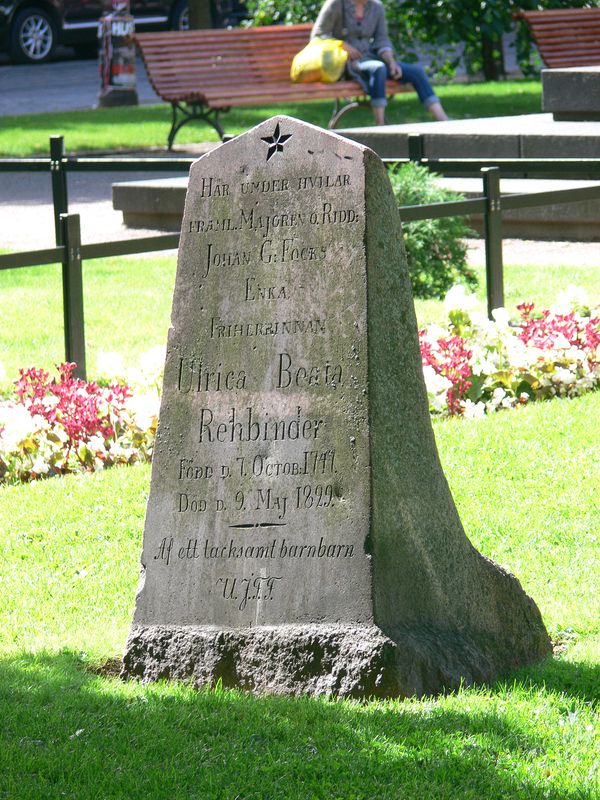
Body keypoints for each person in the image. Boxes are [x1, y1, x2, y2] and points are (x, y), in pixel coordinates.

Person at [311, 0, 449, 124]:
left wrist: (391, 62)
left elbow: (382, 39)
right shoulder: (336, 4)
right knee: (378, 68)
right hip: (345, 63)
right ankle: (380, 125)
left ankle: (443, 120)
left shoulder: (377, 7)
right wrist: (342, 45)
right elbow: (318, 35)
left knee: (416, 72)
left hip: (370, 59)